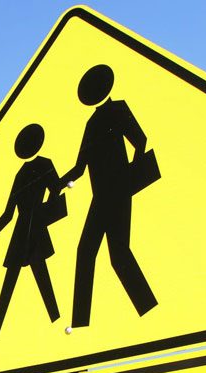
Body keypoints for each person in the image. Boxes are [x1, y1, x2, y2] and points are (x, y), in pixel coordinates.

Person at [60, 64, 159, 328]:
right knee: (90, 252)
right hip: (100, 196)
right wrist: (58, 183)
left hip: (117, 191)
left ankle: (150, 312)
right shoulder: (91, 124)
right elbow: (80, 167)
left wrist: (130, 177)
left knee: (117, 254)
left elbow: (140, 140)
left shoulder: (119, 109)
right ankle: (82, 324)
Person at [0, 123, 62, 337]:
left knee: (31, 276)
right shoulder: (38, 167)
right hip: (31, 227)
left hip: (24, 230)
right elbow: (55, 190)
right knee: (33, 276)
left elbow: (8, 214)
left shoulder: (23, 173)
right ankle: (55, 319)